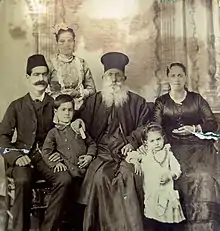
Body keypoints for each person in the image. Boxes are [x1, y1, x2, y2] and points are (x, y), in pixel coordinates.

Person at [77, 52, 151, 231]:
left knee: (130, 177)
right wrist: (77, 121)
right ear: (103, 77)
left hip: (127, 152)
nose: (114, 79)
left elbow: (145, 126)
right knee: (100, 178)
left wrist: (132, 142)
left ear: (124, 77)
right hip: (102, 151)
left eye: (118, 75)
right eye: (110, 74)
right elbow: (83, 127)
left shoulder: (137, 101)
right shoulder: (93, 101)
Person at [0, 54, 72, 231]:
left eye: (44, 74)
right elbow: (2, 136)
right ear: (28, 77)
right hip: (22, 158)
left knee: (65, 179)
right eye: (36, 75)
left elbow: (66, 123)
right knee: (23, 181)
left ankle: (48, 228)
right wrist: (16, 157)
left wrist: (77, 122)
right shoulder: (16, 106)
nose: (41, 79)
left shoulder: (55, 104)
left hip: (46, 157)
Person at [152, 62, 220, 231]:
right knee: (178, 176)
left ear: (185, 77)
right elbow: (155, 127)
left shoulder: (196, 99)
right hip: (172, 148)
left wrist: (194, 128)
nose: (176, 79)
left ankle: (204, 225)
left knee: (204, 176)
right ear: (168, 78)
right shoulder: (161, 102)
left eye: (180, 75)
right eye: (173, 75)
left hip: (199, 148)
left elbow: (211, 122)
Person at [41, 94, 97, 231]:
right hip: (70, 173)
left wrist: (89, 156)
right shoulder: (54, 133)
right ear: (56, 112)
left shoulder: (78, 128)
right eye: (63, 110)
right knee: (70, 202)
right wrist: (56, 164)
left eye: (70, 110)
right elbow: (46, 152)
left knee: (82, 205)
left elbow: (92, 144)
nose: (67, 113)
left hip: (84, 173)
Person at [126, 123, 185, 231]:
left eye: (158, 139)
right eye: (152, 141)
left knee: (169, 223)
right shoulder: (144, 153)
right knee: (152, 221)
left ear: (163, 138)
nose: (156, 143)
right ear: (146, 143)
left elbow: (177, 169)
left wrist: (169, 175)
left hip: (166, 194)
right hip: (151, 195)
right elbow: (129, 156)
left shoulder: (168, 153)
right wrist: (136, 162)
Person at [48, 22, 96, 110]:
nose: (66, 44)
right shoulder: (50, 64)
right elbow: (44, 90)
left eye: (70, 40)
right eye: (62, 41)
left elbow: (92, 90)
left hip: (80, 109)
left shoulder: (82, 63)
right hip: (56, 110)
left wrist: (77, 93)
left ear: (74, 42)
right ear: (57, 43)